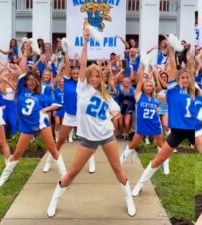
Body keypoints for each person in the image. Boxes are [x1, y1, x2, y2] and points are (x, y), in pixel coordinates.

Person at [46, 29, 136, 217]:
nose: (94, 78)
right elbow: (82, 61)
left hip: (106, 135)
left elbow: (117, 111)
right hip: (88, 139)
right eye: (92, 75)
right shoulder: (82, 88)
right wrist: (85, 42)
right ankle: (55, 199)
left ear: (101, 78)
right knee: (72, 172)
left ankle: (129, 199)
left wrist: (114, 115)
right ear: (87, 77)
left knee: (117, 168)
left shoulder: (105, 96)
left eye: (97, 76)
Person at [0, 45, 67, 188]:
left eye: (34, 81)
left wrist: (45, 109)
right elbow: (22, 68)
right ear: (26, 81)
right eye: (30, 80)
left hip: (40, 122)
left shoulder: (40, 95)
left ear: (36, 83)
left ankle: (65, 175)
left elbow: (57, 105)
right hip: (27, 126)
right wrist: (25, 53)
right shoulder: (20, 89)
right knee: (18, 153)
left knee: (52, 148)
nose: (31, 82)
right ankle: (2, 180)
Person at [130, 43, 196, 197]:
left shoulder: (192, 92)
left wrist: (188, 54)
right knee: (159, 158)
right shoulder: (173, 89)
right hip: (178, 131)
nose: (185, 79)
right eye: (183, 77)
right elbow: (173, 65)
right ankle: (139, 185)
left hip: (192, 128)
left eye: (188, 77)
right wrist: (172, 49)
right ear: (178, 79)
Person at [119, 64, 170, 174]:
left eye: (150, 85)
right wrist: (141, 67)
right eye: (146, 85)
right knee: (132, 145)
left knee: (161, 146)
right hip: (142, 126)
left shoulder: (155, 99)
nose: (148, 87)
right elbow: (140, 81)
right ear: (143, 87)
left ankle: (165, 164)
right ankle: (120, 161)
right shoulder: (138, 95)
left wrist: (156, 74)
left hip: (155, 126)